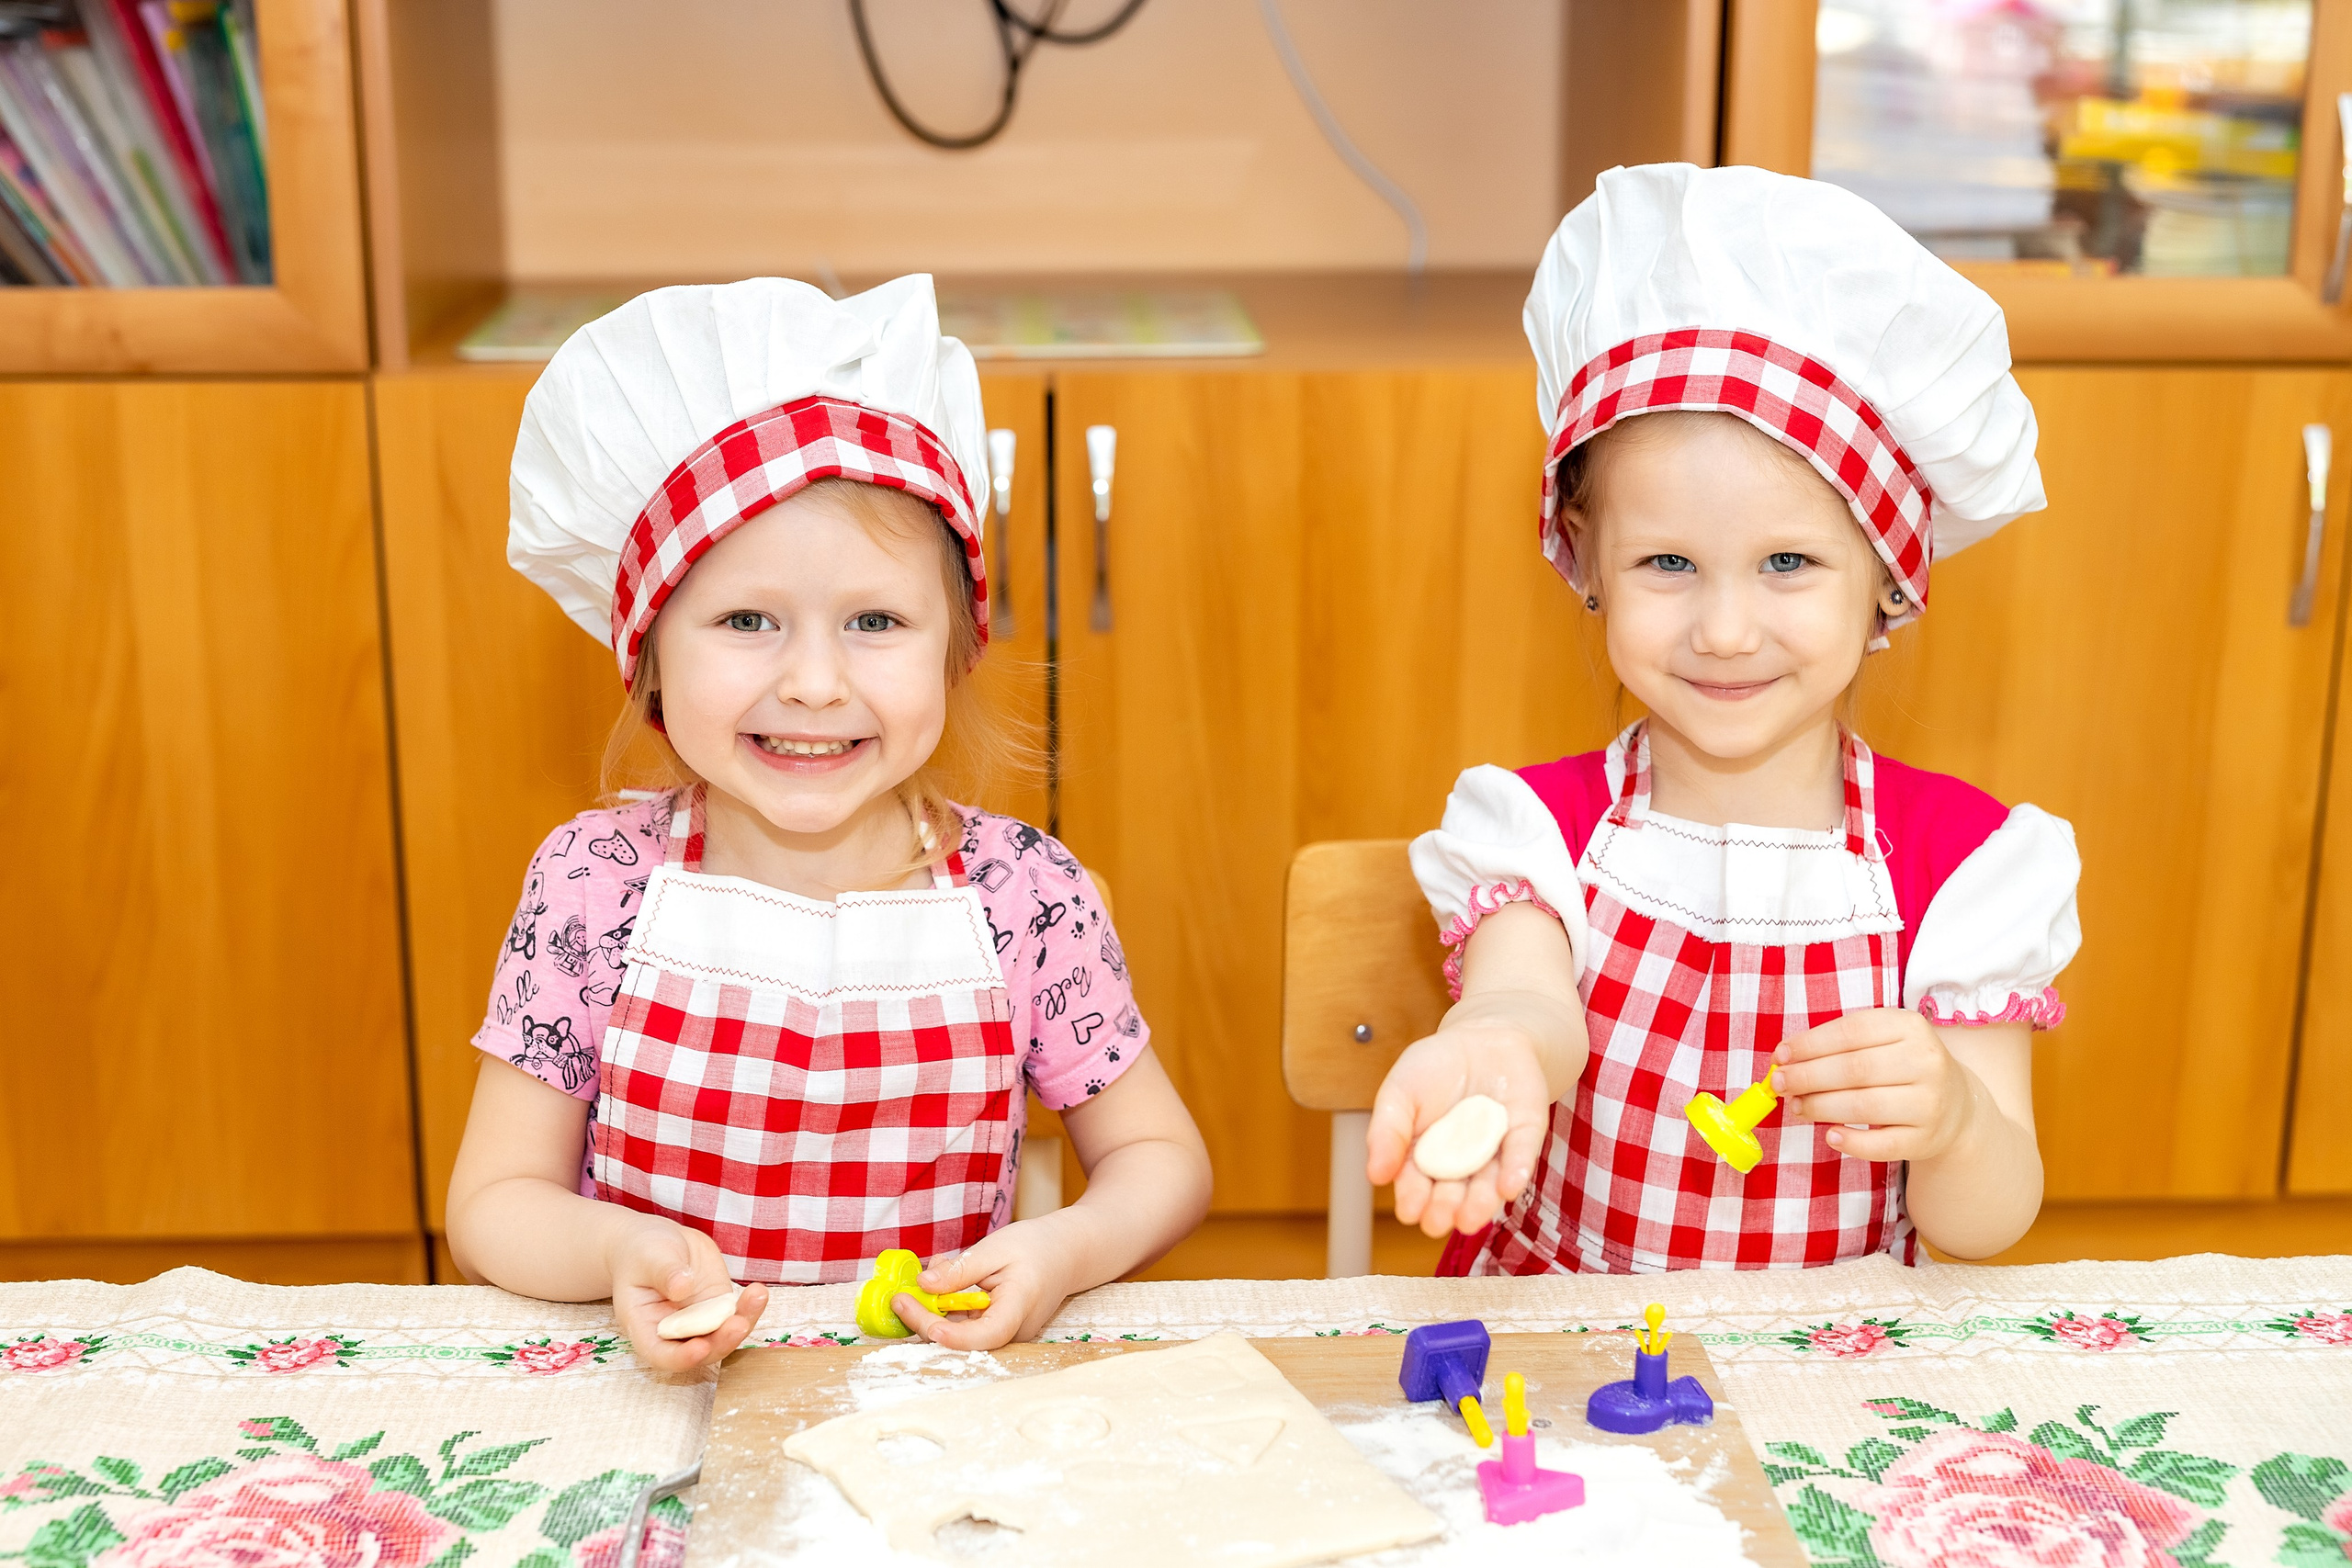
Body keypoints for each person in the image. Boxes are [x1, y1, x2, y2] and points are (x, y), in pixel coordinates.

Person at [445, 275, 1211, 1362]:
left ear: (955, 647)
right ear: (650, 657)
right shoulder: (592, 884)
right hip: (655, 1402)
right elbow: (491, 1202)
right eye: (746, 619)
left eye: (875, 621)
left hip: (927, 1409)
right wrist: (615, 1252)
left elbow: (1161, 1160)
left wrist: (1063, 1250)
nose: (812, 681)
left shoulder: (1026, 896)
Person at [1368, 164, 2079, 1274]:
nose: (1726, 629)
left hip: (1829, 1380)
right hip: (1571, 1351)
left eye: (1788, 562)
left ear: (1889, 578)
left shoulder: (1964, 870)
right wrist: (1496, 1044)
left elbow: (1984, 1221)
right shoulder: (1536, 832)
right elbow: (1529, 1004)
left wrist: (1952, 1121)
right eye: (1667, 564)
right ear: (1584, 565)